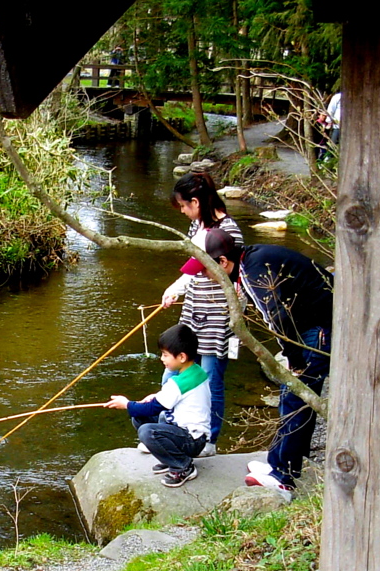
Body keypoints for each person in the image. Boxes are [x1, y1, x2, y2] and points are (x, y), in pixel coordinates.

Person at [186, 228, 333, 499]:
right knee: (295, 397)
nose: (203, 276)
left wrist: (295, 362)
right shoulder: (251, 260)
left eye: (205, 269)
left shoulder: (254, 273)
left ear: (222, 263)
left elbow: (279, 319)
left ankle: (283, 478)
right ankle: (281, 462)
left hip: (318, 330)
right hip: (313, 324)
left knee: (295, 399)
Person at [158, 170, 243, 456]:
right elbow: (194, 268)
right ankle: (166, 431)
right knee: (174, 370)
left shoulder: (229, 231)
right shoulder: (198, 226)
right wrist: (175, 289)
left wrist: (236, 320)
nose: (182, 211)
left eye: (183, 205)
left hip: (218, 317)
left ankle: (208, 440)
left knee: (209, 379)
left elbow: (237, 281)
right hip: (194, 311)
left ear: (195, 202)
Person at [105, 323, 211, 488]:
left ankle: (182, 466)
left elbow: (152, 408)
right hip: (188, 432)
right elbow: (179, 398)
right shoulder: (197, 371)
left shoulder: (178, 382)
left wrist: (126, 404)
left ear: (181, 357)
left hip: (192, 440)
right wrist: (155, 396)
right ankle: (170, 457)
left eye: (165, 355)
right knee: (139, 417)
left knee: (147, 431)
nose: (162, 359)